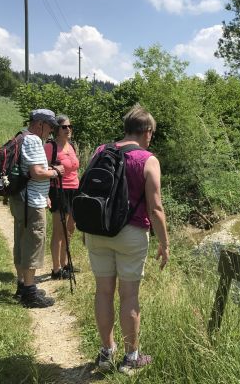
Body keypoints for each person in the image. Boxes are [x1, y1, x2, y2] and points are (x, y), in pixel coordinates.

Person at [85, 104, 169, 374]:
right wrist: (164, 244)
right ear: (147, 131)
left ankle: (106, 353)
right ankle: (131, 358)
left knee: (103, 292)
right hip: (131, 233)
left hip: (97, 230)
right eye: (151, 133)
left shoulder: (101, 150)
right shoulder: (148, 159)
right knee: (129, 295)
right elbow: (155, 208)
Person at [11, 109, 65, 308]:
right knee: (33, 243)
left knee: (21, 241)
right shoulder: (33, 141)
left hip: (22, 199)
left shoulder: (22, 136)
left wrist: (44, 196)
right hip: (31, 203)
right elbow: (36, 172)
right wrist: (56, 171)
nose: (51, 131)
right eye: (50, 127)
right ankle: (30, 294)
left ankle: (22, 286)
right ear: (40, 123)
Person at [44, 115, 80, 280]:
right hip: (58, 190)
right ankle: (56, 269)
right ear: (56, 129)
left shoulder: (71, 146)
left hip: (74, 189)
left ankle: (65, 263)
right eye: (64, 127)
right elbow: (42, 169)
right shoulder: (50, 147)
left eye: (70, 126)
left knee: (71, 227)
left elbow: (74, 168)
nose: (68, 129)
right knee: (59, 231)